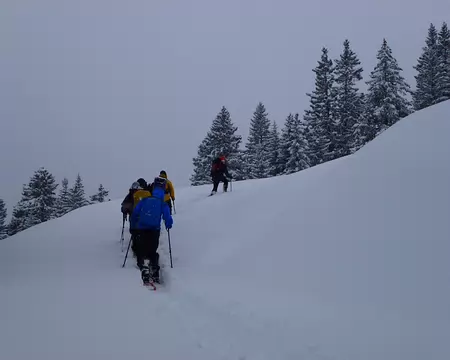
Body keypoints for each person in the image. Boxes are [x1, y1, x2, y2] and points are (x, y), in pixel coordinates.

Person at [130, 176, 173, 284]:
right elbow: (168, 218)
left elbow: (135, 213)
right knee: (152, 251)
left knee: (141, 250)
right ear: (163, 189)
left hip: (141, 229)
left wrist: (134, 225)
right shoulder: (162, 203)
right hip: (154, 230)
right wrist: (168, 224)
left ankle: (143, 267)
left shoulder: (145, 200)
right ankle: (154, 269)